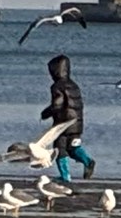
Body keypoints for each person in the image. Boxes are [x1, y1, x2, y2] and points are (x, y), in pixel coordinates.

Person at [40, 53, 95, 181]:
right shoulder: (74, 85)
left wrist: (46, 113)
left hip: (63, 123)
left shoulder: (57, 86)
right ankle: (88, 161)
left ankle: (65, 176)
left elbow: (57, 105)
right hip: (77, 123)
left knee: (59, 149)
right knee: (73, 147)